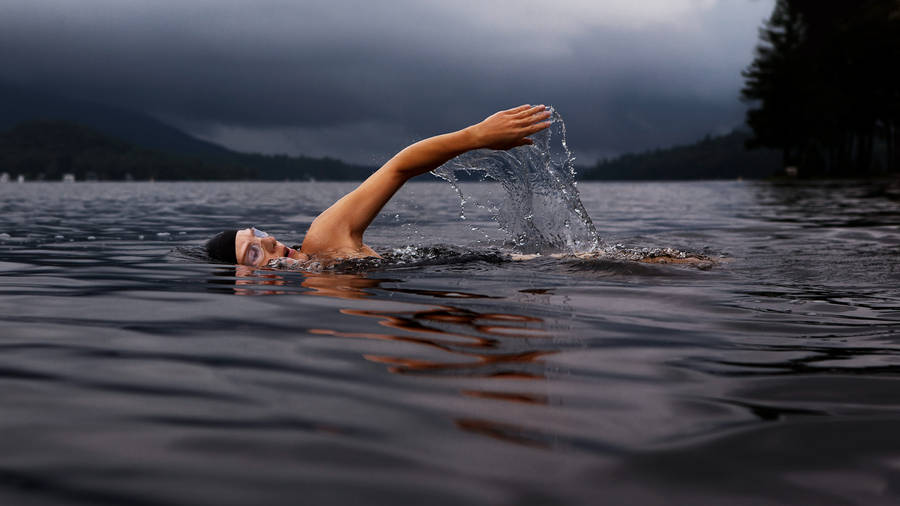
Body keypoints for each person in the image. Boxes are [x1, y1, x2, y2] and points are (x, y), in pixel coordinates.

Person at [205, 104, 551, 267]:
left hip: (536, 266)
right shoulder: (320, 304)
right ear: (244, 284)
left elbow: (398, 168)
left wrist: (475, 136)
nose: (268, 240)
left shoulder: (324, 241)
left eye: (259, 233)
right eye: (253, 252)